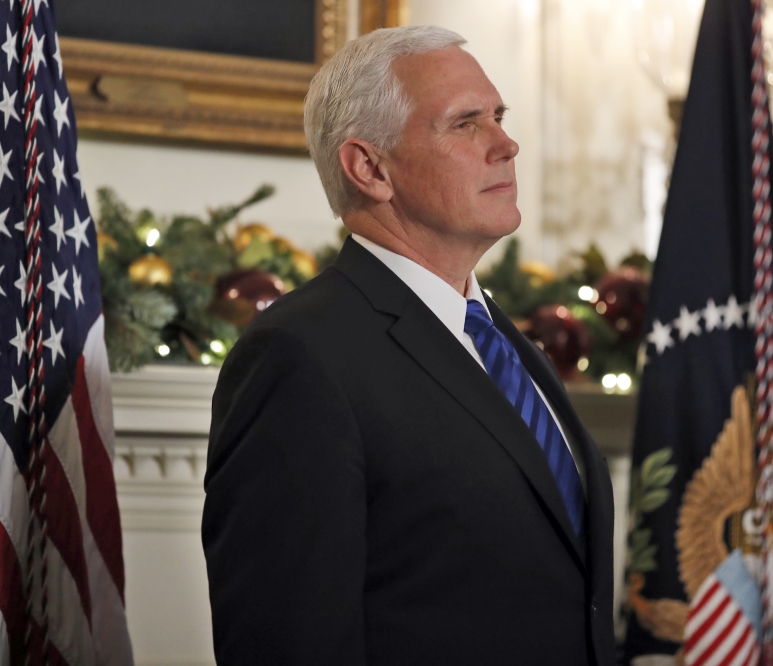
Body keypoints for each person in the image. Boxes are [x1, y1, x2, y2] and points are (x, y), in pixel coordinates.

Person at [202, 25, 615, 666]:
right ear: (370, 168)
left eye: (499, 117)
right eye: (465, 123)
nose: (506, 144)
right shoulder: (300, 357)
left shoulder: (499, 335)